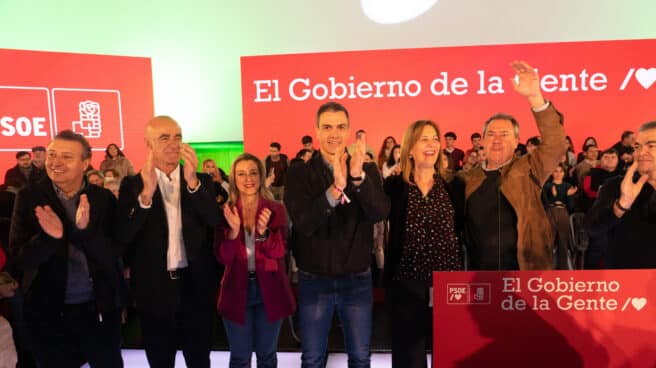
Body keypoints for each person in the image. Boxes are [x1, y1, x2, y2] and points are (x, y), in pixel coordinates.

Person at [284, 102, 390, 368]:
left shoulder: (366, 169)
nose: (334, 133)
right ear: (317, 131)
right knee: (312, 359)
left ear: (349, 130)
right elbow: (304, 222)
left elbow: (380, 212)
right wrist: (333, 192)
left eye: (341, 127)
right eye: (327, 127)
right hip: (313, 280)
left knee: (360, 358)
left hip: (356, 280)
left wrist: (356, 179)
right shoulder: (299, 171)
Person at [8, 130, 124, 368]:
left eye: (66, 157)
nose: (55, 162)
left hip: (98, 309)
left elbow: (113, 256)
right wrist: (51, 238)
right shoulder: (30, 196)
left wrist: (86, 232)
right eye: (52, 154)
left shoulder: (102, 199)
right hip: (48, 313)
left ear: (85, 163)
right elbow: (20, 260)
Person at [116, 116, 221, 368]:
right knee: (160, 359)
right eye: (165, 138)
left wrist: (193, 182)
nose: (173, 144)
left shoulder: (200, 181)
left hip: (195, 286)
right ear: (148, 143)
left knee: (199, 359)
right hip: (154, 288)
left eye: (178, 137)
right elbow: (123, 237)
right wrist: (146, 197)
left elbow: (215, 221)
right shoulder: (132, 185)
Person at [460, 60, 567, 271]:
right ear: (481, 141)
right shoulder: (466, 179)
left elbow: (555, 144)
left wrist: (535, 97)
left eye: (504, 134)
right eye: (491, 134)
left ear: (517, 141)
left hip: (526, 271)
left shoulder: (529, 168)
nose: (497, 139)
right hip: (478, 277)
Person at [384, 120, 463, 368]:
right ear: (409, 148)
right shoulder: (394, 187)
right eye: (423, 139)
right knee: (409, 358)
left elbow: (461, 229)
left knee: (449, 354)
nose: (431, 144)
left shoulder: (454, 185)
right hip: (407, 283)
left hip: (447, 284)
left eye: (434, 138)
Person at [214, 153, 295, 367]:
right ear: (233, 179)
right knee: (240, 357)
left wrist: (263, 234)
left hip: (270, 289)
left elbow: (280, 252)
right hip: (236, 289)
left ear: (261, 176)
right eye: (241, 173)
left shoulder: (276, 209)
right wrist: (233, 233)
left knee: (266, 355)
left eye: (253, 172)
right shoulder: (226, 211)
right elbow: (223, 257)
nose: (248, 178)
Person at [585, 121, 656, 268]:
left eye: (651, 146)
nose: (641, 153)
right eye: (637, 147)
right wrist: (621, 205)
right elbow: (592, 228)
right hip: (625, 280)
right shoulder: (615, 185)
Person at [542, 163, 577, 269]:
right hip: (550, 212)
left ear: (564, 173)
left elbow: (571, 206)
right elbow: (544, 203)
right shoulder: (547, 186)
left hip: (563, 212)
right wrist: (553, 196)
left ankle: (563, 269)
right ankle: (545, 268)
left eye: (560, 171)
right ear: (552, 173)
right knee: (548, 241)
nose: (558, 174)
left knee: (563, 241)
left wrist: (569, 196)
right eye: (555, 171)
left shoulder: (567, 186)